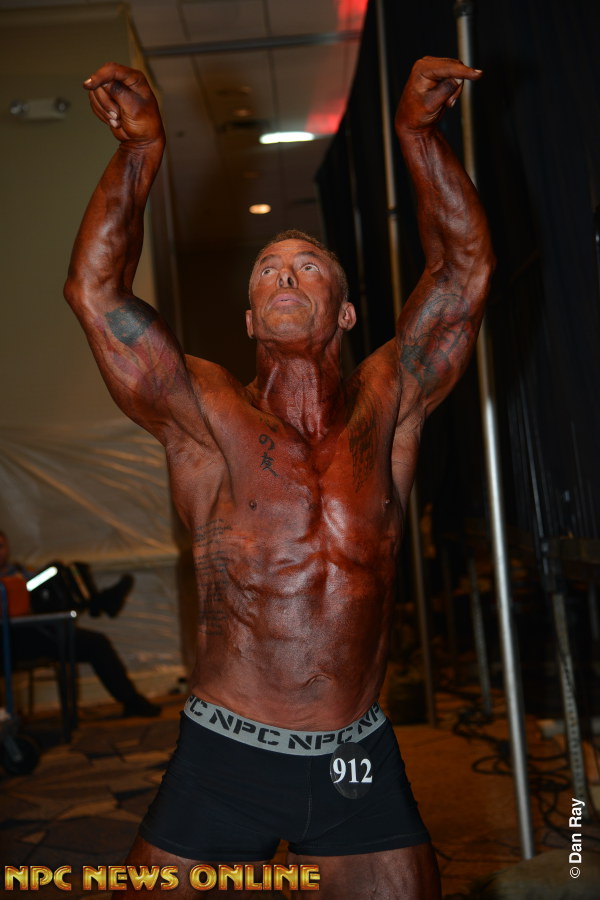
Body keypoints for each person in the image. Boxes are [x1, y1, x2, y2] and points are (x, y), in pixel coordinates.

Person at [63, 55, 493, 898]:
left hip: (353, 758)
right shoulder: (205, 413)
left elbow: (464, 276)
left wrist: (418, 135)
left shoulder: (391, 402)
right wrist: (139, 153)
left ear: (346, 312)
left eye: (307, 267)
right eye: (267, 271)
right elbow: (95, 292)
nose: (285, 274)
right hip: (226, 756)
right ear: (252, 321)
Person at [0, 530, 160, 718]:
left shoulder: (21, 572)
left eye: (1, 546)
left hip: (41, 633)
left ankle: (132, 701)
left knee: (96, 641)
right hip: (11, 642)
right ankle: (101, 603)